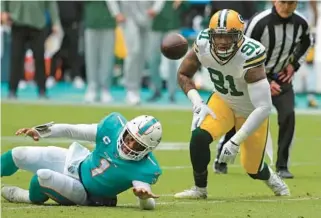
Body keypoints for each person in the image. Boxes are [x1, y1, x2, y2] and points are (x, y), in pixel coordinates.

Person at [174, 9, 290, 199]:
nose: (222, 42)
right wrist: (197, 102)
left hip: (251, 111)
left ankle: (270, 177)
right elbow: (183, 74)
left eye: (229, 36)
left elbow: (264, 107)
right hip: (223, 101)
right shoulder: (202, 43)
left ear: (240, 36)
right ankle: (199, 189)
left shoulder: (250, 54)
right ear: (211, 34)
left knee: (252, 169)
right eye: (218, 36)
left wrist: (235, 141)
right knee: (199, 137)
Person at [214, 1, 311, 179]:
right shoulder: (259, 21)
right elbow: (242, 51)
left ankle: (282, 165)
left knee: (288, 115)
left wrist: (293, 64)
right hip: (253, 78)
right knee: (241, 117)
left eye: (292, 3)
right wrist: (264, 80)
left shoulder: (301, 23)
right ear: (275, 1)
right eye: (283, 2)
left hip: (281, 78)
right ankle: (222, 158)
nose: (287, 6)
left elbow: (307, 43)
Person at [1, 113, 162, 210]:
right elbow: (73, 130)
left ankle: (27, 197)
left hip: (85, 193)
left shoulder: (145, 168)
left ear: (147, 150)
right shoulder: (112, 127)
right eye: (129, 138)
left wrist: (143, 197)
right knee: (19, 154)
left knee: (42, 177)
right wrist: (40, 131)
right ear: (125, 130)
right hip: (77, 161)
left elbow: (147, 199)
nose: (129, 145)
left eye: (138, 145)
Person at [0, 1, 61, 99]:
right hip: (17, 21)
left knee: (40, 58)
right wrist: (2, 11)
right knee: (16, 57)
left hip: (38, 23)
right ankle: (12, 90)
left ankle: (42, 90)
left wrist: (55, 22)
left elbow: (51, 3)